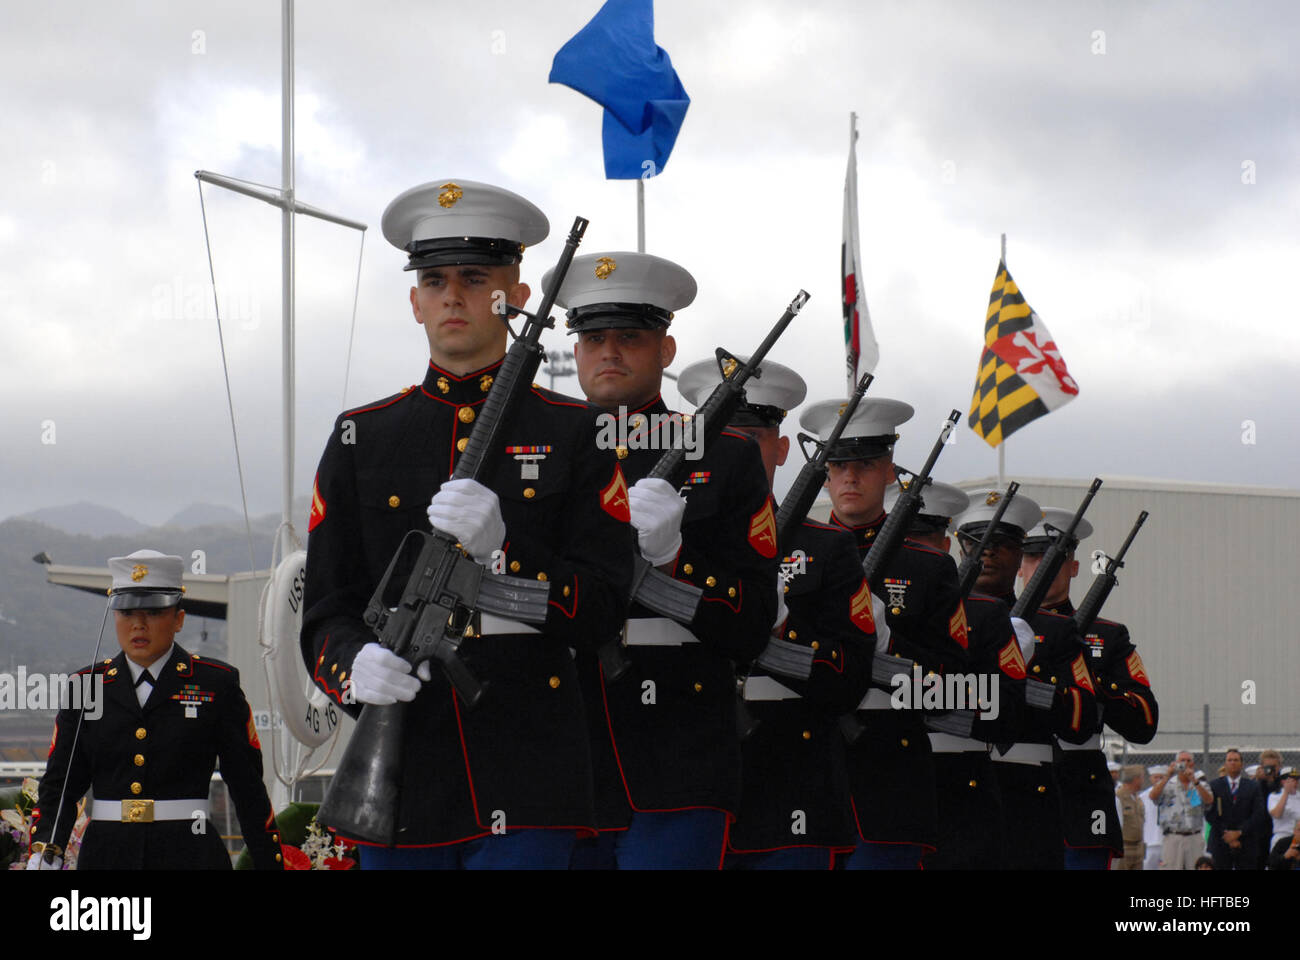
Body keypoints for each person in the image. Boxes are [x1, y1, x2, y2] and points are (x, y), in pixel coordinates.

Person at [300, 180, 634, 869]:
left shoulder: (579, 433)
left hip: (531, 765)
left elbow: (603, 607)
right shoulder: (362, 436)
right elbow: (328, 605)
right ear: (414, 300)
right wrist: (351, 666)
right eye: (434, 279)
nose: (452, 295)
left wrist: (507, 554)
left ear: (514, 294)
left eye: (475, 277)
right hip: (403, 768)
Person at [547, 251, 777, 868]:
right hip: (555, 749)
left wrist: (677, 562)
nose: (609, 352)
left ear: (666, 351)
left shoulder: (725, 459)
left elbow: (754, 619)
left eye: (631, 337)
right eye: (593, 338)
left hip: (678, 752)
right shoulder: (538, 451)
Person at [677, 356, 877, 870]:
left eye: (754, 434)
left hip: (786, 774)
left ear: (783, 448)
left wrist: (782, 633)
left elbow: (848, 678)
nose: (737, 447)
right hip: (680, 761)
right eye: (725, 432)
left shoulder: (829, 549)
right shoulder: (668, 530)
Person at [800, 398, 972, 869]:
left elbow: (956, 685)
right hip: (798, 765)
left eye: (865, 465)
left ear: (889, 471)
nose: (850, 478)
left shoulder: (930, 566)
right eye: (838, 466)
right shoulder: (791, 548)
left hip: (887, 774)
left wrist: (889, 647)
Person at [29, 550, 282, 870]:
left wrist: (268, 862)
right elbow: (61, 783)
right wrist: (47, 851)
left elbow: (247, 788)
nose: (138, 624)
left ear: (178, 619)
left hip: (191, 854)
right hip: (108, 857)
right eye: (126, 612)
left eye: (152, 612)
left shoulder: (216, 684)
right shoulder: (87, 686)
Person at [953, 490, 1099, 870]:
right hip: (949, 785)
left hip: (1025, 794)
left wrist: (1026, 679)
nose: (986, 553)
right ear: (958, 546)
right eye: (976, 542)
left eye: (1000, 545)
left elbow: (1082, 718)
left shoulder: (1056, 630)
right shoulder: (934, 617)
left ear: (1019, 556)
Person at [1022, 507, 1159, 869]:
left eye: (1057, 558)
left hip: (1081, 789)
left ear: (1075, 567)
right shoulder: (996, 626)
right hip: (1016, 782)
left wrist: (1089, 682)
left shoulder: (1107, 635)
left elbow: (1144, 721)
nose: (1044, 566)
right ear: (1019, 566)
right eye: (1033, 556)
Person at [1205, 747, 1269, 870]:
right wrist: (1227, 835)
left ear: (1241, 763)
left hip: (1246, 841)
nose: (1233, 763)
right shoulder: (1214, 785)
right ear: (1225, 764)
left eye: (1236, 760)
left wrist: (1239, 833)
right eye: (1229, 760)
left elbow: (1258, 813)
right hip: (1221, 841)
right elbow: (1210, 813)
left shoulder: (1253, 787)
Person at [1151, 749, 1212, 869]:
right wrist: (1167, 775)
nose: (1185, 763)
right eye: (1182, 760)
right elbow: (1153, 796)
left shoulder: (1199, 785)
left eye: (1188, 760)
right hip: (1173, 836)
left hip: (1193, 836)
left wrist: (1193, 781)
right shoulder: (1168, 784)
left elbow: (1208, 801)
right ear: (1175, 763)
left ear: (1193, 764)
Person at [1115, 765, 1147, 870]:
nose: (1143, 780)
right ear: (1135, 779)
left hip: (1138, 847)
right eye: (1142, 777)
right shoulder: (1118, 797)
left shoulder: (1137, 798)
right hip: (1125, 846)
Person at [1269, 768, 1300, 863]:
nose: (1295, 783)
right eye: (1291, 780)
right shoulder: (1275, 796)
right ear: (1283, 781)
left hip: (1298, 838)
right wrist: (1286, 792)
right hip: (1282, 837)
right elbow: (1277, 814)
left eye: (1296, 779)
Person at [1142, 765, 1165, 869]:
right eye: (1156, 777)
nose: (1158, 780)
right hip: (1149, 840)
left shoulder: (1171, 792)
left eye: (1161, 777)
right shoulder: (1143, 796)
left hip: (1165, 840)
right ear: (1150, 778)